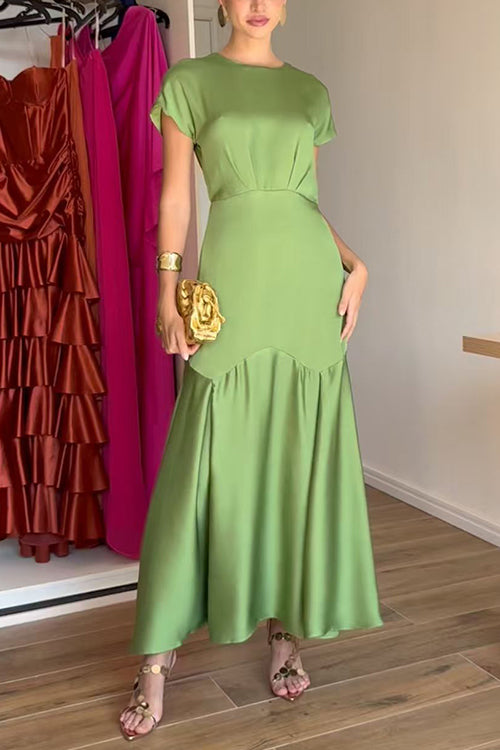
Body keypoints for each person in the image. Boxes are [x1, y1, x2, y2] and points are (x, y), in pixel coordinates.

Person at [119, 0, 383, 740]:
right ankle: (156, 656)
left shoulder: (310, 92)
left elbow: (303, 203)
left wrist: (354, 262)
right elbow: (176, 196)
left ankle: (286, 631)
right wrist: (169, 287)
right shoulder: (190, 81)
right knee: (200, 469)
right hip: (232, 288)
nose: (260, 5)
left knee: (292, 461)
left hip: (307, 293)